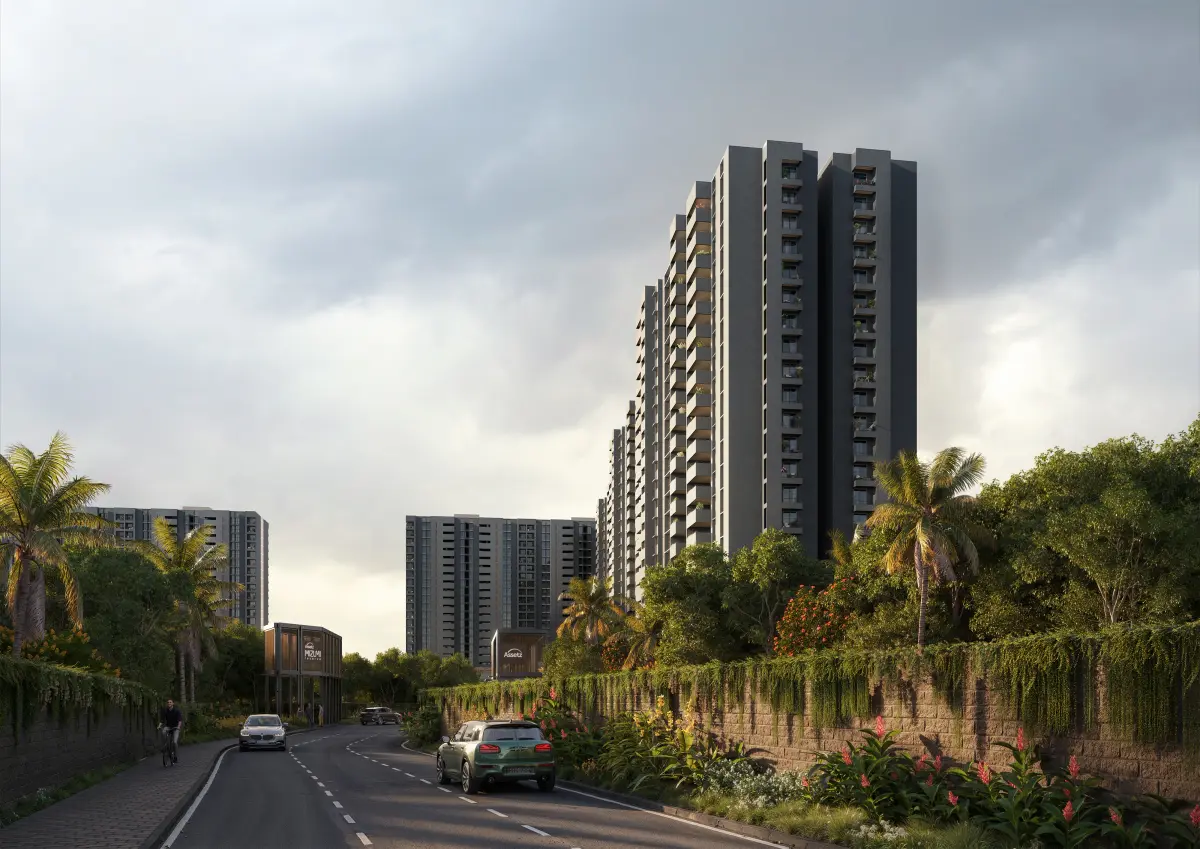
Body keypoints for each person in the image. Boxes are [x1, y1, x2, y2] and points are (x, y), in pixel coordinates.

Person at [159, 698, 184, 764]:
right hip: (169, 727)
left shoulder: (177, 711)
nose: (169, 703)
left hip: (175, 728)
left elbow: (180, 721)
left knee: (175, 742)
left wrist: (178, 727)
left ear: (173, 704)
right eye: (168, 702)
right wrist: (159, 726)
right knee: (163, 731)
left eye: (170, 702)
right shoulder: (166, 711)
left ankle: (175, 756)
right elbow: (162, 720)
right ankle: (165, 745)